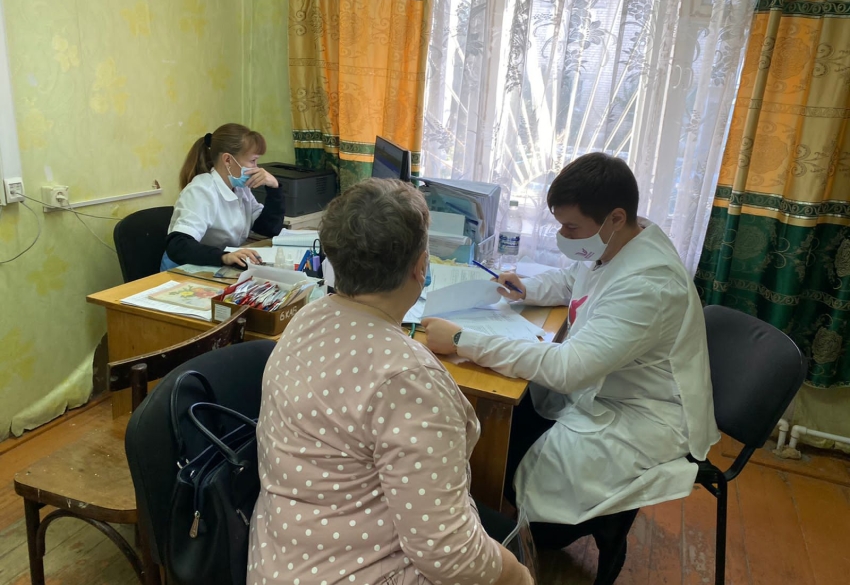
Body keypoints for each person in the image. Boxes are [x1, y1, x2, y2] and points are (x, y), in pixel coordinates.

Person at [423, 153, 720, 545]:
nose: (563, 235)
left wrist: (464, 340)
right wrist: (526, 289)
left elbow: (568, 370)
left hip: (643, 416)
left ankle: (511, 535)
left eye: (571, 226)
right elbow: (573, 280)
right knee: (502, 416)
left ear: (616, 217)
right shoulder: (623, 239)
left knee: (511, 467)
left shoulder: (649, 285)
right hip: (605, 388)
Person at [248, 178, 533, 585]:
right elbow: (450, 556)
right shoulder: (408, 379)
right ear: (421, 267)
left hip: (282, 555)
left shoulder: (308, 317)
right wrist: (519, 576)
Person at [160, 123, 285, 270]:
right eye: (252, 161)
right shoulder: (201, 190)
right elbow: (179, 246)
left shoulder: (240, 188)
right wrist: (223, 257)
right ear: (227, 160)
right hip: (185, 268)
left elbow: (268, 229)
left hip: (216, 265)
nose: (257, 168)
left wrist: (274, 188)